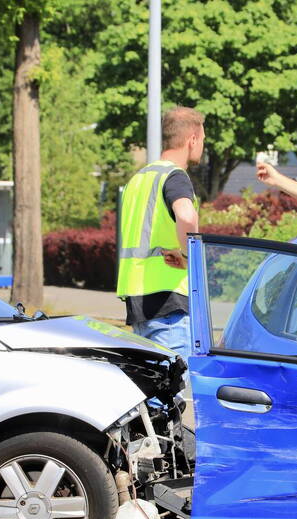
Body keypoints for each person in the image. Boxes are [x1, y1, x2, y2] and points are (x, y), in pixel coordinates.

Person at [116, 106, 205, 357]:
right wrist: (190, 258)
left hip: (139, 304)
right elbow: (186, 215)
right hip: (170, 306)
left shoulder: (139, 179)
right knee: (172, 389)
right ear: (193, 139)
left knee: (155, 390)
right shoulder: (175, 176)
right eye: (203, 141)